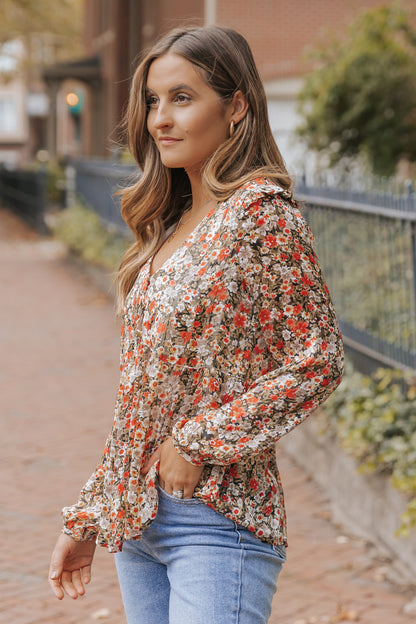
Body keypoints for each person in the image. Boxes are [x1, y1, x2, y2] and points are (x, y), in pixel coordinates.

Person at [49, 25, 344, 624]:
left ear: (236, 106)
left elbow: (321, 357)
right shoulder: (166, 228)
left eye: (183, 98)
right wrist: (92, 513)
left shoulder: (261, 215)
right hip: (140, 526)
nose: (161, 118)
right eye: (154, 101)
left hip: (219, 519)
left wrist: (197, 440)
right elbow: (142, 395)